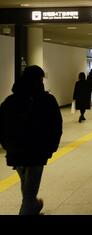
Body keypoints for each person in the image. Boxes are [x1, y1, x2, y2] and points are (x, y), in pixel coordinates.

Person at [0, 65, 63, 215]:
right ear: (39, 80)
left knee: (26, 185)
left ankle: (34, 206)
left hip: (16, 152)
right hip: (37, 152)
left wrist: (7, 146)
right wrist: (51, 147)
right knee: (28, 195)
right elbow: (56, 125)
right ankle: (31, 207)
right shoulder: (47, 100)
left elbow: (2, 126)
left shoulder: (10, 101)